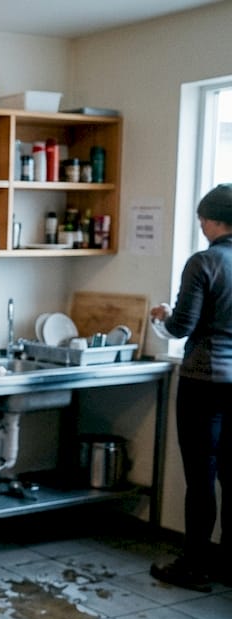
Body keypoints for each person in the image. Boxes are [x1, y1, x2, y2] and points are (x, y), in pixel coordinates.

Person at [149, 183, 232, 592]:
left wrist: (164, 315)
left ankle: (194, 566)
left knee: (201, 477)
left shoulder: (204, 262)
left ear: (215, 220)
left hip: (204, 379)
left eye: (203, 219)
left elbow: (182, 326)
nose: (200, 225)